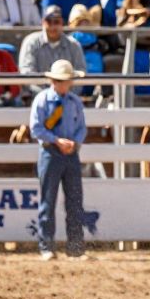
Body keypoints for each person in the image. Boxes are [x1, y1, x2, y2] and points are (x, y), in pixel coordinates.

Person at [29, 59, 90, 260]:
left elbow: (81, 128)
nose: (62, 84)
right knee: (48, 201)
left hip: (69, 153)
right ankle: (47, 247)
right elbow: (36, 128)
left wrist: (74, 143)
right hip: (50, 153)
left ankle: (75, 248)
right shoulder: (42, 100)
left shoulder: (74, 102)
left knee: (75, 201)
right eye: (59, 81)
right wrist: (57, 141)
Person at [18, 5, 87, 79]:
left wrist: (63, 86)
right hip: (37, 86)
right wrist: (44, 87)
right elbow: (26, 71)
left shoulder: (73, 45)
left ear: (62, 23)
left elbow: (80, 72)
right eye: (49, 22)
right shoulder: (31, 42)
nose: (52, 26)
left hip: (67, 86)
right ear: (43, 22)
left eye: (56, 22)